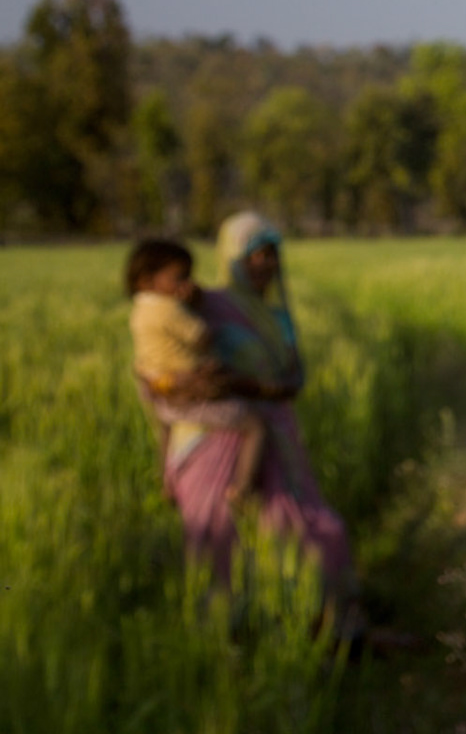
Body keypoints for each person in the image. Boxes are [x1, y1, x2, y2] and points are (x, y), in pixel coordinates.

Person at [143, 211, 361, 636]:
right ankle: (237, 638)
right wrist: (166, 452)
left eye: (273, 256)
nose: (267, 265)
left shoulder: (276, 315)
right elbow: (158, 368)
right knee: (224, 539)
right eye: (257, 256)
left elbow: (294, 378)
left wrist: (254, 388)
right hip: (217, 440)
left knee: (309, 530)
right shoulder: (206, 306)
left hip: (276, 438)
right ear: (234, 257)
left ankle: (319, 629)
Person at [125, 237, 268, 507]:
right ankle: (242, 488)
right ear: (147, 280)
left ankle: (167, 482)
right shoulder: (167, 308)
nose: (187, 284)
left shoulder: (140, 307)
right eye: (179, 278)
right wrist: (199, 311)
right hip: (189, 394)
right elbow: (202, 337)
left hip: (157, 391)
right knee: (255, 426)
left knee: (165, 433)